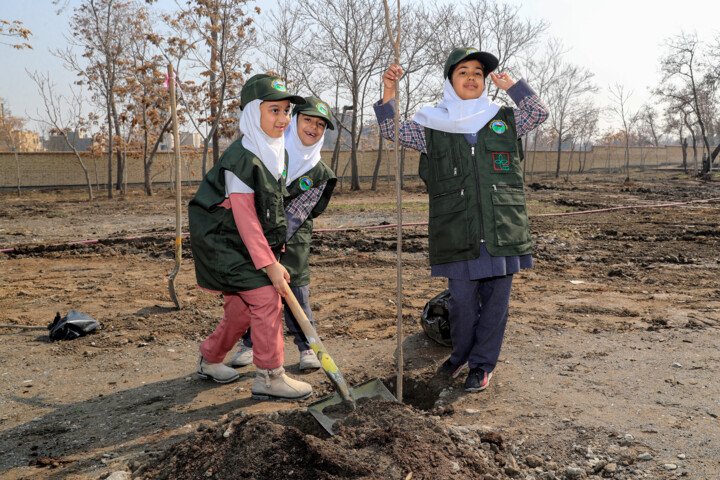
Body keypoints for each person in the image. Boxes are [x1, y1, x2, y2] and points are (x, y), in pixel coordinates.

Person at [375, 48, 549, 392]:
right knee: (463, 305)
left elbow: (538, 112)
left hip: (502, 229)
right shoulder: (431, 125)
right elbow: (389, 128)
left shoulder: (504, 119)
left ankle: (482, 366)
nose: (471, 78)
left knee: (496, 305)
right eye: (463, 72)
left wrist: (512, 85)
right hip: (456, 231)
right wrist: (390, 89)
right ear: (449, 81)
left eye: (478, 74)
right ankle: (460, 356)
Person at [189, 73, 312, 401]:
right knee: (266, 298)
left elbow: (269, 208)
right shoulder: (241, 158)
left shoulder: (275, 152)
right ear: (252, 113)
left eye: (287, 111)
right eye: (274, 111)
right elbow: (244, 218)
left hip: (244, 243)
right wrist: (269, 264)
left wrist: (276, 253)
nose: (283, 118)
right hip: (222, 242)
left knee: (242, 310)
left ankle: (210, 358)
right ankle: (271, 376)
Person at [230, 96, 337, 372]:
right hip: (258, 235)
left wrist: (271, 248)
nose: (313, 127)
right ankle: (250, 343)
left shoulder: (320, 172)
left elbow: (298, 212)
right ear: (295, 119)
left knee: (296, 293)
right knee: (259, 292)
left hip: (294, 238)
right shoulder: (271, 150)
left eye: (321, 125)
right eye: (308, 120)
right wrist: (260, 247)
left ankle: (308, 348)